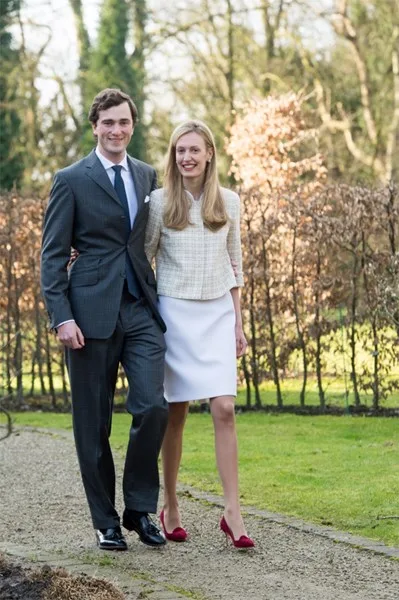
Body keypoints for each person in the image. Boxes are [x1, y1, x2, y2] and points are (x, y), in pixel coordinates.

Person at [41, 88, 168, 551]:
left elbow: (151, 239)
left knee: (153, 406)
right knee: (92, 424)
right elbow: (52, 256)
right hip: (88, 315)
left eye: (124, 122)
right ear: (95, 126)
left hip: (140, 308)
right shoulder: (71, 179)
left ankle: (138, 509)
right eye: (108, 122)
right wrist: (61, 318)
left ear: (133, 125)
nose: (117, 130)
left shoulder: (147, 174)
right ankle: (105, 520)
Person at [145, 120, 254, 549]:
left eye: (194, 150)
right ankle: (169, 504)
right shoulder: (158, 203)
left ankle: (233, 512)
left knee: (224, 408)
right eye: (179, 151)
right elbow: (143, 260)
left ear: (210, 153)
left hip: (217, 315)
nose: (186, 157)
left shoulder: (229, 202)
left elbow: (236, 266)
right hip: (175, 313)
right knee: (176, 411)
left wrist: (239, 324)